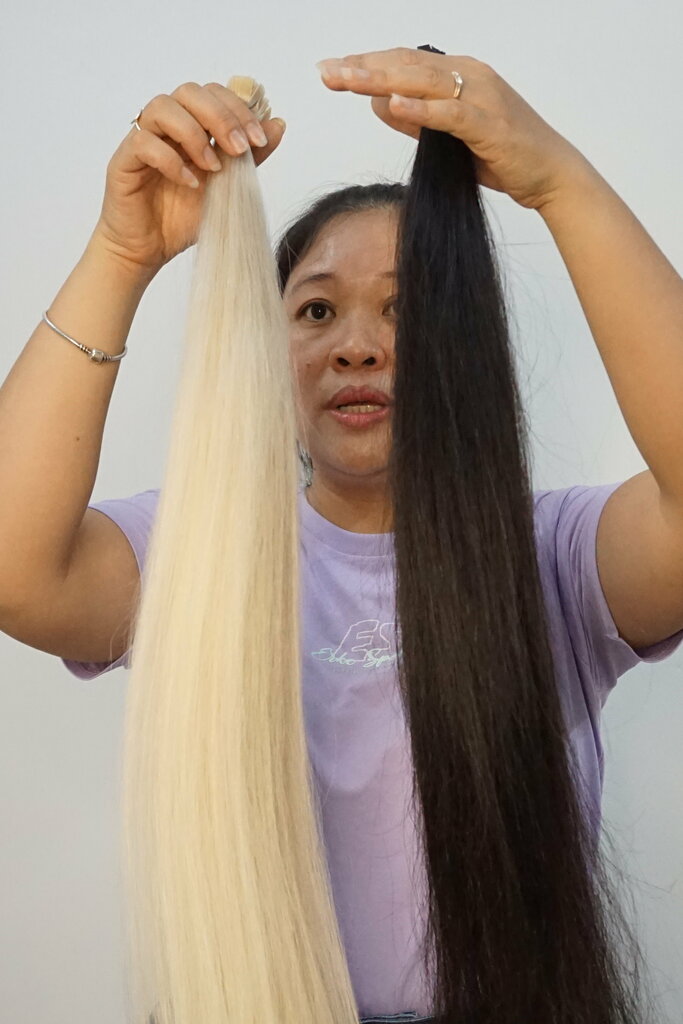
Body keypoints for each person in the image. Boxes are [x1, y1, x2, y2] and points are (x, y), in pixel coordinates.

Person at [1, 70, 682, 1023]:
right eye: (316, 311)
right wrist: (122, 254)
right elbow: (18, 572)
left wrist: (559, 183)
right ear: (267, 347)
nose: (355, 346)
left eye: (405, 309)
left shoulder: (554, 557)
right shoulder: (196, 555)